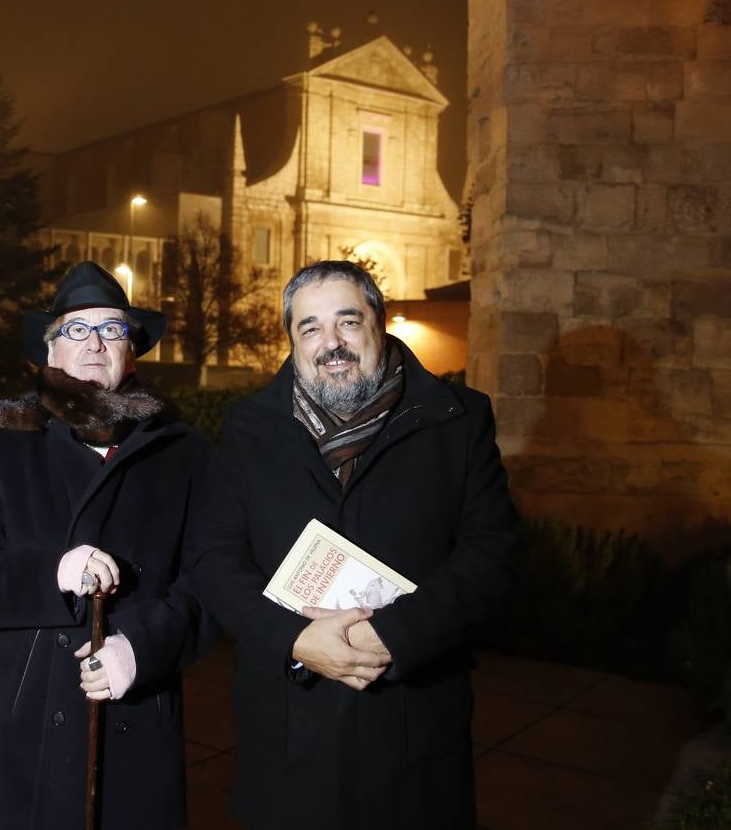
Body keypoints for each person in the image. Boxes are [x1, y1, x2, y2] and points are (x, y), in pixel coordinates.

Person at [194, 260, 519, 828]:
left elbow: (492, 555)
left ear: (380, 323)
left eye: (348, 321)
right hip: (290, 723)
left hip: (411, 722)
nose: (331, 344)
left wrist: (389, 635)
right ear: (292, 341)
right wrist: (294, 638)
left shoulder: (459, 420)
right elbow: (214, 558)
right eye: (310, 328)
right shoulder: (249, 428)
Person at [0, 261, 215, 830]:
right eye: (75, 329)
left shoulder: (183, 453)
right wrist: (52, 574)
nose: (94, 344)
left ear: (131, 351)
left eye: (113, 329)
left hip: (138, 713)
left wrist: (140, 648)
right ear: (50, 352)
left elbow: (212, 580)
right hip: (28, 722)